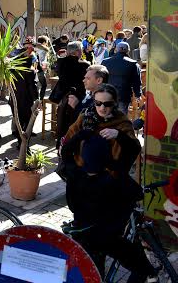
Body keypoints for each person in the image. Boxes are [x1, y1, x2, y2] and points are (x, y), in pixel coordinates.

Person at [63, 136, 155, 281]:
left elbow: (66, 152)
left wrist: (85, 134)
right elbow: (137, 193)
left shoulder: (74, 177)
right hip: (108, 239)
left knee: (93, 275)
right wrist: (114, 159)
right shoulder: (112, 181)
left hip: (82, 236)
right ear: (105, 157)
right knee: (144, 269)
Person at [61, 84, 141, 177]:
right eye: (98, 103)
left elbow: (134, 148)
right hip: (82, 175)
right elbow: (67, 144)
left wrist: (119, 135)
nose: (102, 108)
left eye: (107, 104)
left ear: (114, 103)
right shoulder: (85, 117)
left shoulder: (122, 122)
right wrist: (74, 170)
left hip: (109, 178)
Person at [101, 42, 142, 115]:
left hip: (107, 95)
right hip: (123, 96)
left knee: (107, 118)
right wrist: (138, 95)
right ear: (128, 51)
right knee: (121, 119)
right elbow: (136, 82)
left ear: (116, 50)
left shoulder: (105, 62)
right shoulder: (133, 64)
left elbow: (101, 79)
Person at [35, 36, 50, 101]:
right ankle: (40, 101)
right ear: (44, 42)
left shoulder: (35, 48)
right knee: (44, 85)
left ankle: (37, 100)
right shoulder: (44, 49)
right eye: (46, 42)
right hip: (40, 69)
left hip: (35, 69)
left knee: (37, 85)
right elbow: (42, 60)